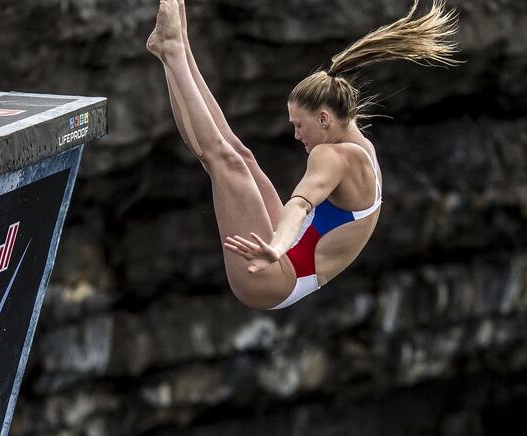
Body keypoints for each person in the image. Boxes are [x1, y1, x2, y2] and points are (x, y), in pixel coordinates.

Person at [146, 0, 459, 310]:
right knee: (240, 155)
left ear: (324, 118)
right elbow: (296, 213)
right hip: (284, 255)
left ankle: (172, 50)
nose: (296, 135)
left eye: (299, 125)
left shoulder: (333, 157)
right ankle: (179, 44)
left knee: (224, 162)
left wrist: (275, 248)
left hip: (271, 279)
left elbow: (298, 205)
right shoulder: (363, 149)